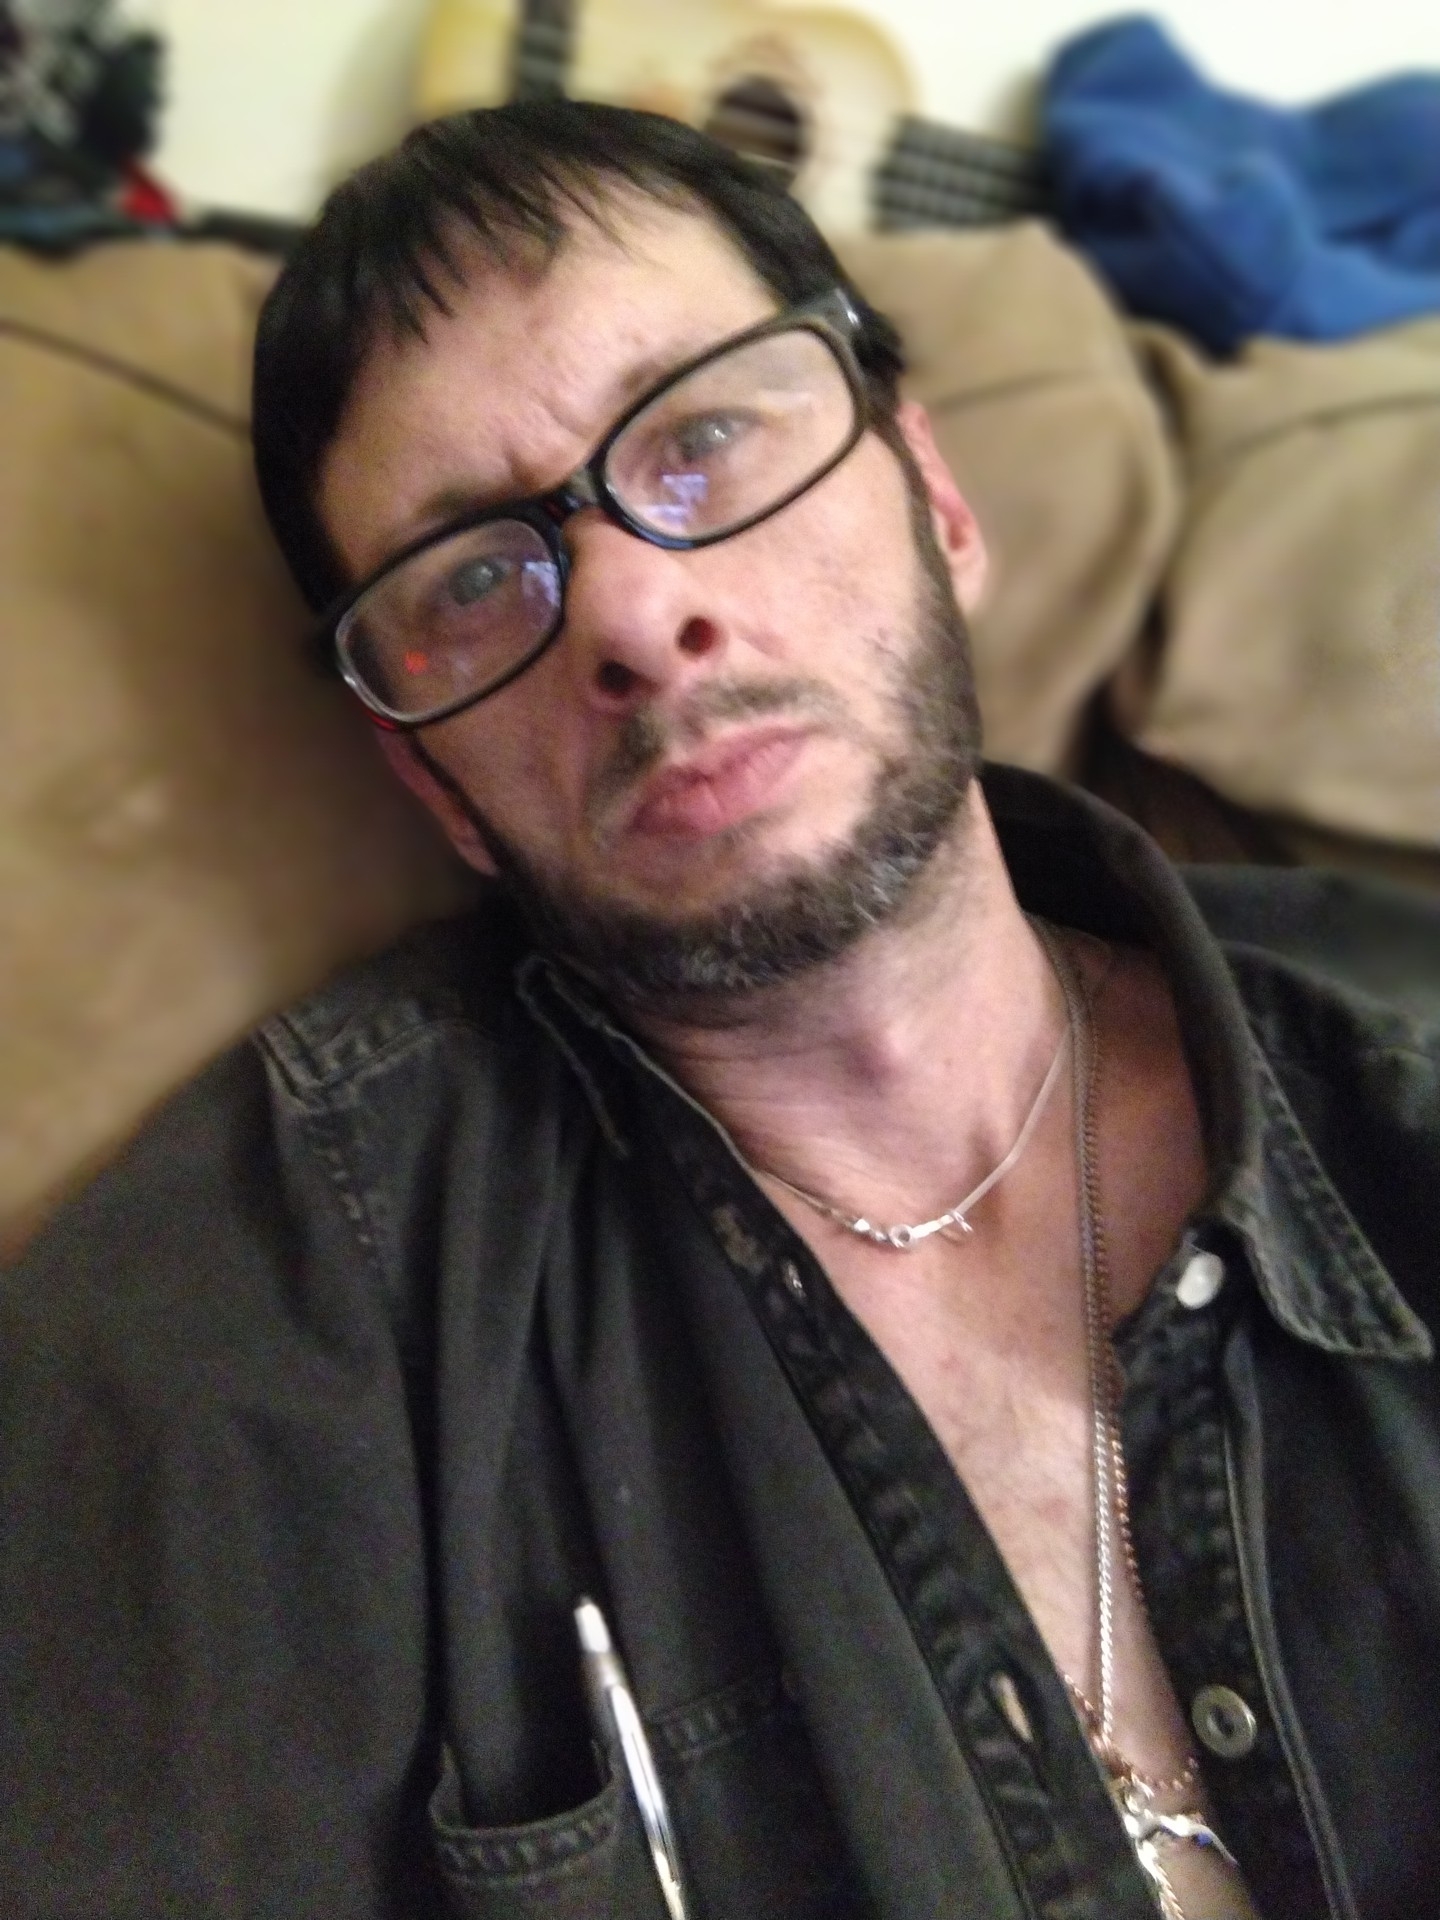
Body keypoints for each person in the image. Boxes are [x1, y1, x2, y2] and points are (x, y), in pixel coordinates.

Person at [3, 100, 1438, 1920]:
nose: (631, 611)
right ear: (432, 780)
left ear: (931, 498)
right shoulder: (238, 1335)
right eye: (473, 579)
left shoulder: (1403, 1084)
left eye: (700, 439)